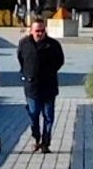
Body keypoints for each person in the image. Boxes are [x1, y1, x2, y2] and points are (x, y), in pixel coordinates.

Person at [15, 17, 64, 151]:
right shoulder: (24, 43)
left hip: (49, 86)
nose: (40, 33)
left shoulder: (53, 45)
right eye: (37, 31)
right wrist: (28, 73)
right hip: (32, 87)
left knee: (48, 116)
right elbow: (20, 58)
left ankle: (46, 143)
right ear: (31, 31)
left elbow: (60, 61)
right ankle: (36, 137)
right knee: (33, 113)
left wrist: (49, 71)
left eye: (42, 31)